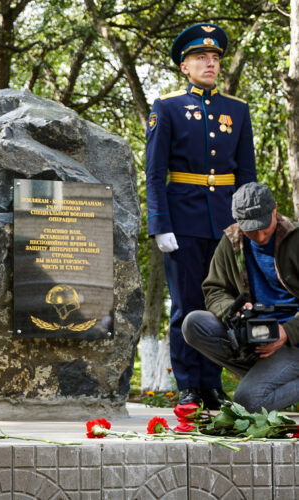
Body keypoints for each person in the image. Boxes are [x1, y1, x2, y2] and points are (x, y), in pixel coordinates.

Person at [145, 23, 257, 409]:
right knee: (187, 305)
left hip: (227, 224)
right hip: (184, 220)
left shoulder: (237, 110)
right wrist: (159, 223)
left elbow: (246, 174)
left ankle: (213, 385)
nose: (209, 63)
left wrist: (248, 223)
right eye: (200, 58)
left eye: (214, 58)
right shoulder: (167, 107)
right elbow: (155, 173)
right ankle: (189, 386)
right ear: (184, 67)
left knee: (224, 303)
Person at [182, 183, 299, 411]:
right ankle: (265, 376)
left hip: (293, 341)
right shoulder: (230, 241)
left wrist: (288, 332)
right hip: (251, 336)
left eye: (264, 226)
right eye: (251, 229)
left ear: (274, 209)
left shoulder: (295, 239)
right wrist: (232, 310)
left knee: (248, 402)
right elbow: (214, 290)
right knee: (193, 323)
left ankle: (268, 380)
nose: (260, 235)